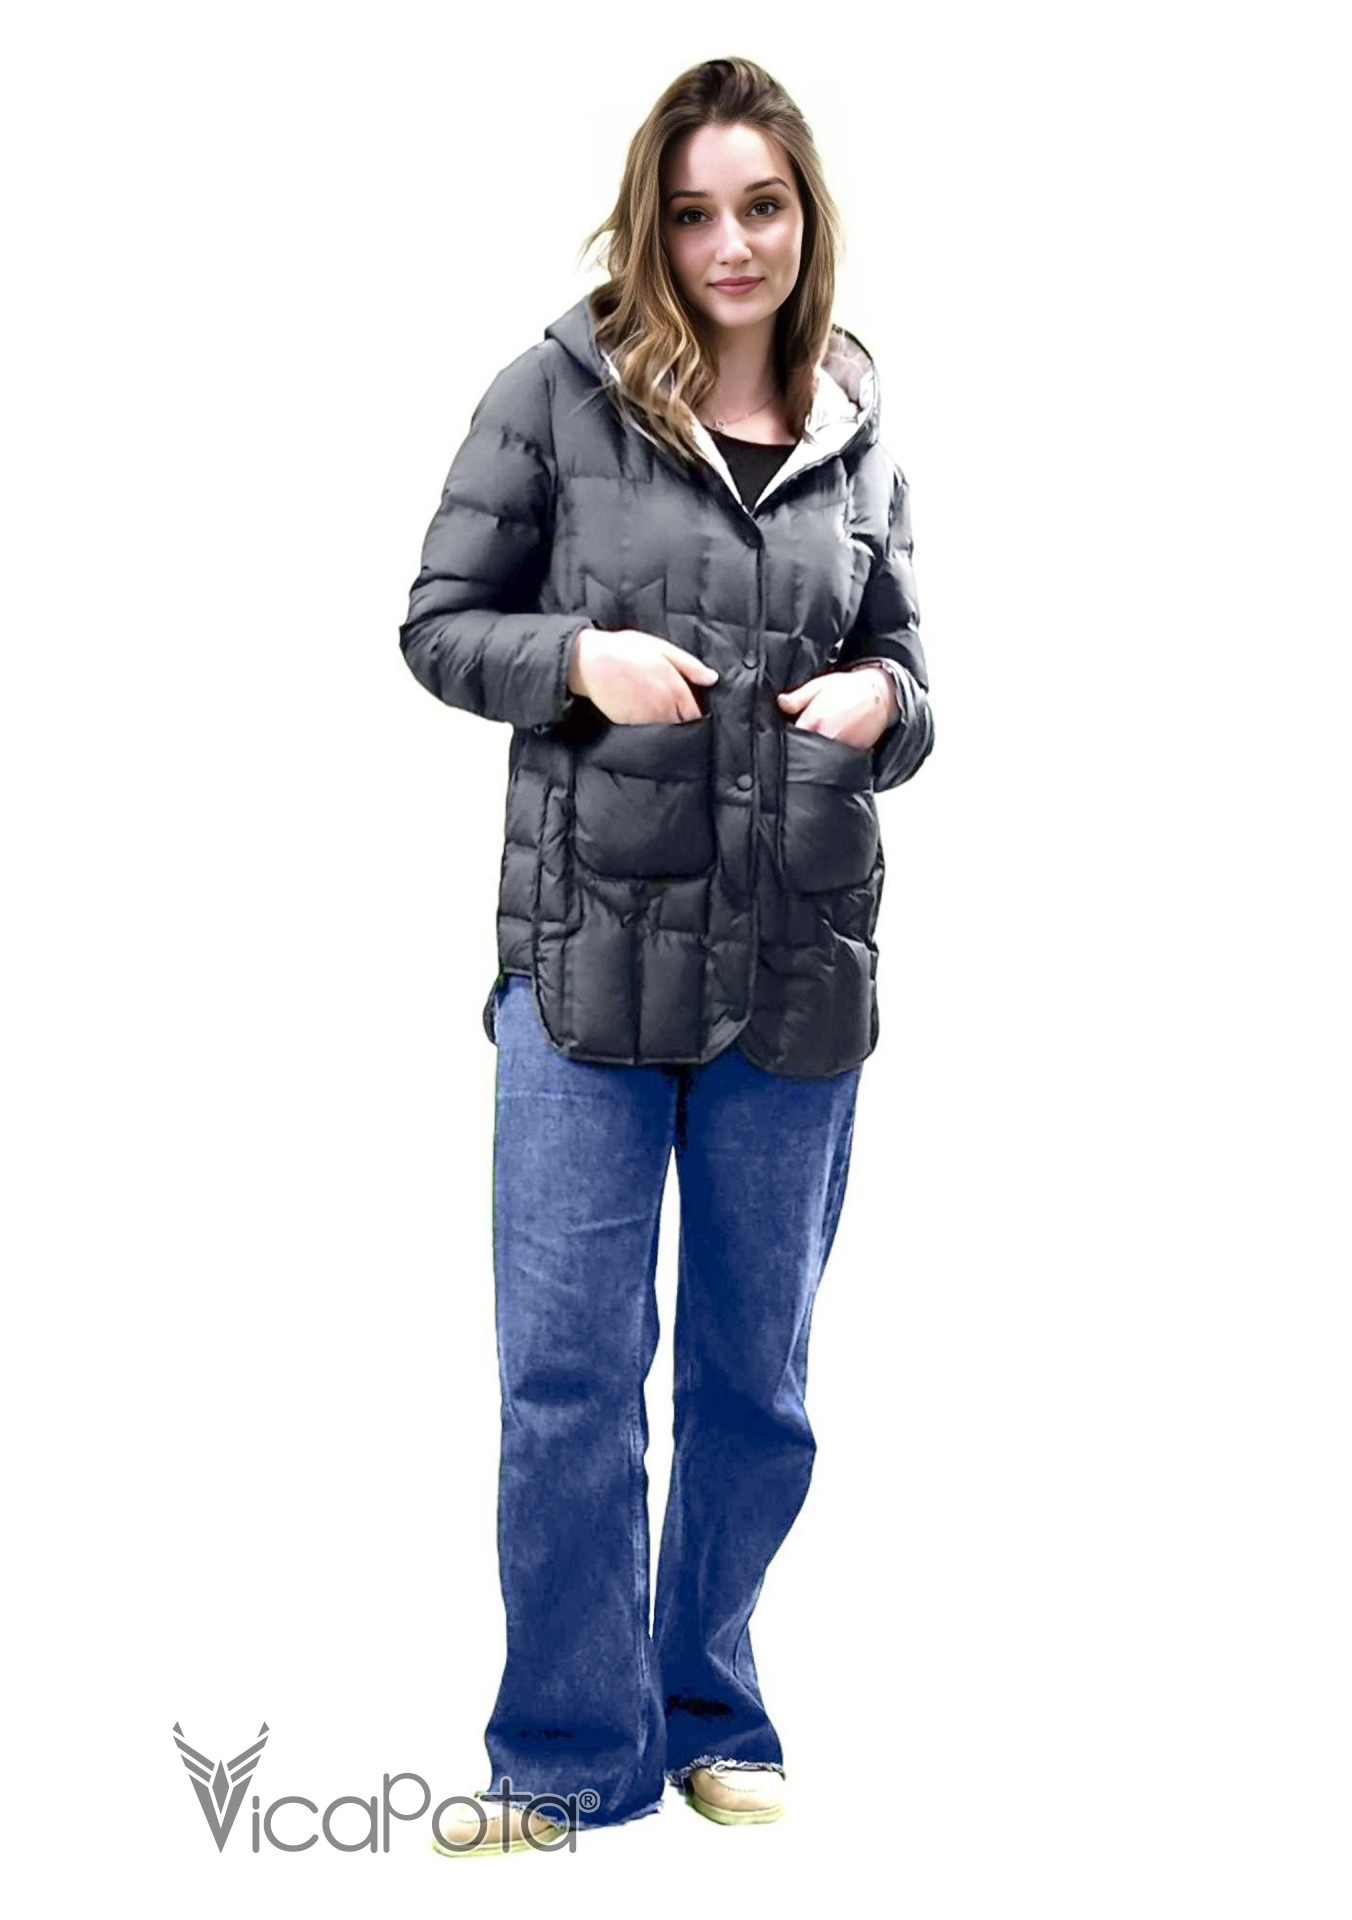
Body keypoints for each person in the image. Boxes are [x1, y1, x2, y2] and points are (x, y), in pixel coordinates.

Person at [397, 55, 935, 1855]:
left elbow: (915, 671)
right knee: (566, 1380)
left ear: (804, 216)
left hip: (798, 973)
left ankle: (713, 1709)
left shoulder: (861, 424)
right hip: (586, 973)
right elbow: (438, 623)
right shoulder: (554, 394)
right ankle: (566, 1753)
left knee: (751, 1387)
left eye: (760, 206)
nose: (730, 245)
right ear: (654, 221)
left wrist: (886, 702)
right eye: (696, 211)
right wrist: (577, 662)